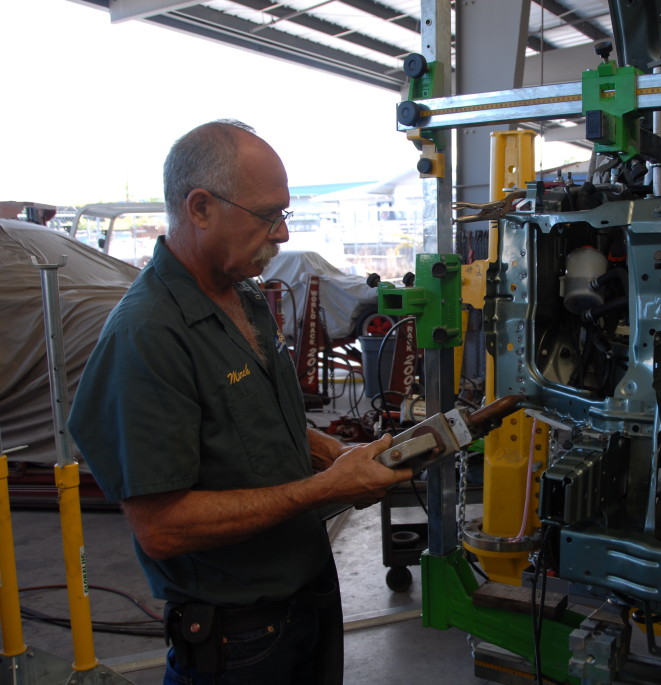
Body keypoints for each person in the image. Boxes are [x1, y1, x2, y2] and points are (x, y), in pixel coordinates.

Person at [68, 119, 413, 685]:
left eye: (285, 215)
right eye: (266, 215)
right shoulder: (149, 335)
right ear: (200, 207)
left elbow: (260, 416)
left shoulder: (244, 297)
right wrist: (326, 489)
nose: (280, 234)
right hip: (238, 638)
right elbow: (162, 527)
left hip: (303, 600)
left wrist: (336, 455)